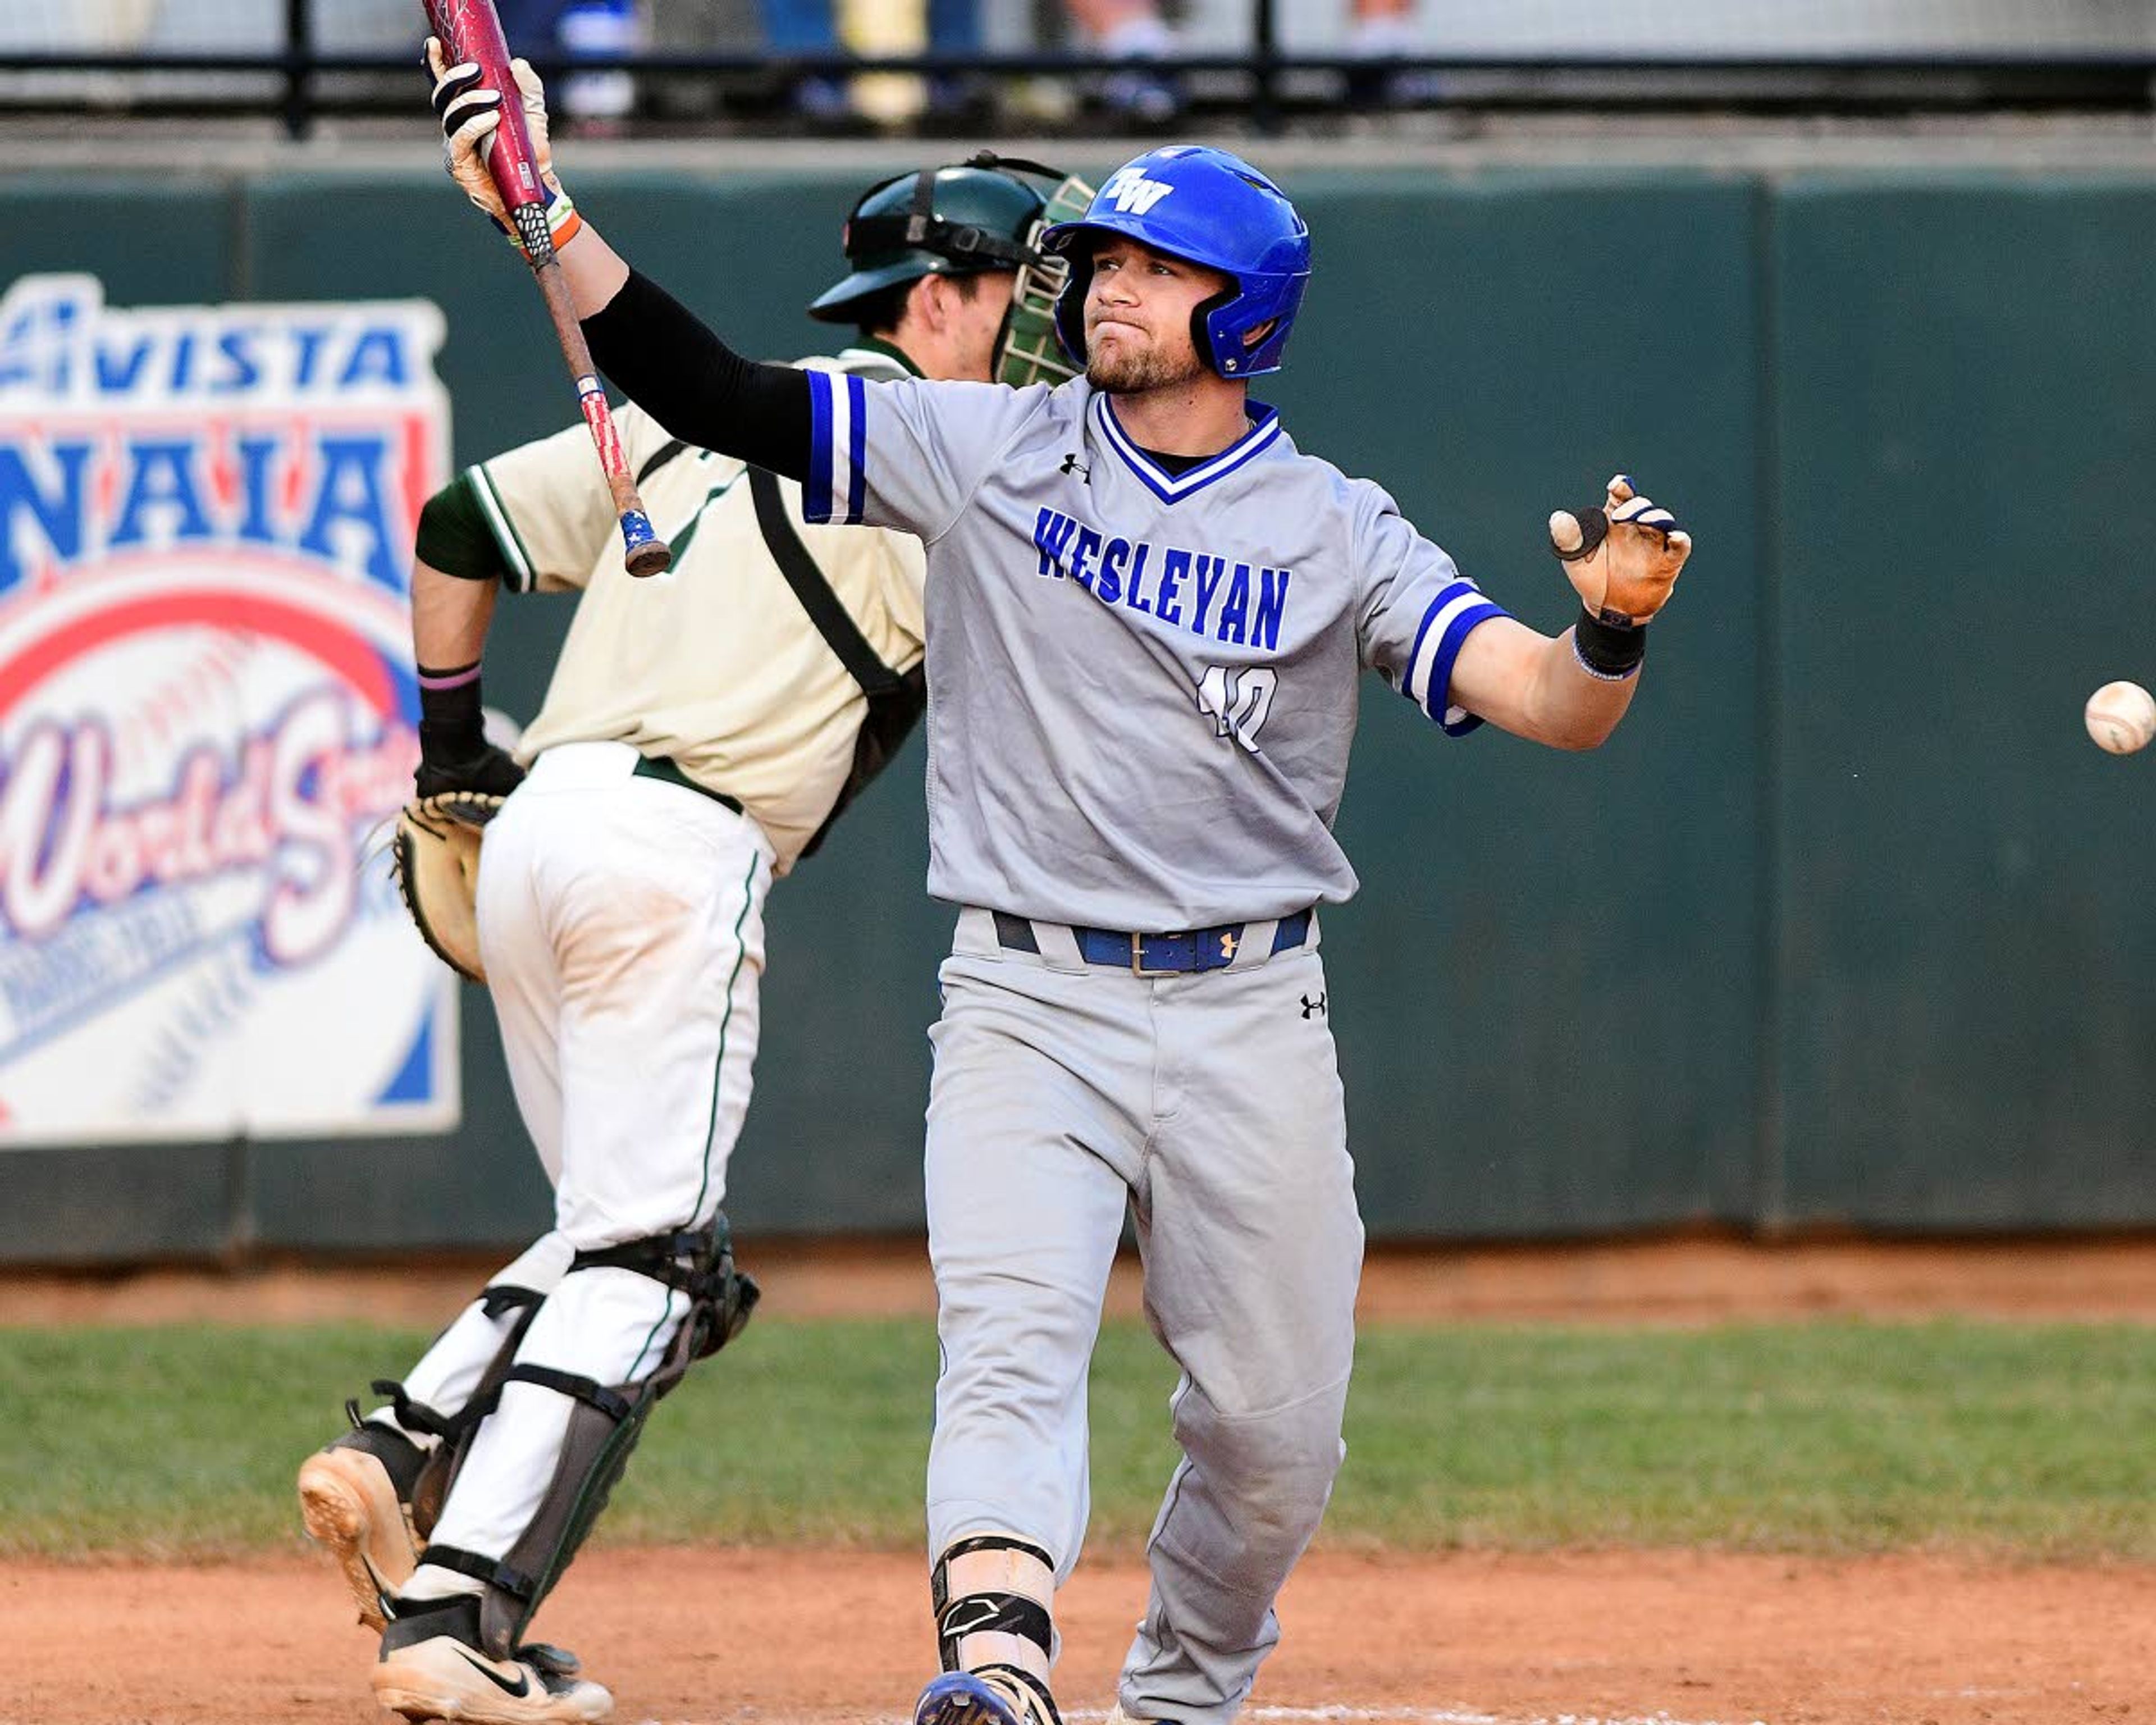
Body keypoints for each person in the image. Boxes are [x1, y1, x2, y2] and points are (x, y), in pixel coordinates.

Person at [428, 58, 1692, 1725]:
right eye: (1103, 262)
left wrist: (1610, 626)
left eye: (1156, 271)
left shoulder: (1336, 529)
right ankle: (997, 1671)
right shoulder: (985, 446)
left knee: (1272, 1436)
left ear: (1243, 318)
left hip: (1252, 1011)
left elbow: (1550, 706)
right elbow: (727, 393)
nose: (1111, 287)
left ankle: (1180, 1688)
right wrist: (547, 214)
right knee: (1013, 1350)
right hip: (1029, 997)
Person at [295, 148, 1074, 1725]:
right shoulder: (963, 460)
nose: (1048, 330)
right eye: (1022, 293)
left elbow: (460, 527)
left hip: (540, 826)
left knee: (625, 1243)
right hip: (676, 849)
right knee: (654, 1265)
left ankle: (400, 1451)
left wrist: (453, 765)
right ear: (937, 302)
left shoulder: (690, 418)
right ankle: (457, 1613)